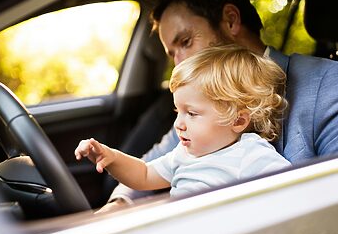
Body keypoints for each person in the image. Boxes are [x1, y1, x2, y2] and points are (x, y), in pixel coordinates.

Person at [105, 0, 338, 209]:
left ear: (230, 20)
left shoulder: (329, 84)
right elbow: (147, 168)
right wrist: (117, 205)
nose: (180, 63)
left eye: (185, 42)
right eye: (173, 54)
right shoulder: (196, 112)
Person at [75, 45, 291, 198]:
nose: (179, 123)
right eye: (178, 111)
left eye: (192, 113)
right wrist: (111, 157)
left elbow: (293, 192)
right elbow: (144, 175)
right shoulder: (183, 154)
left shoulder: (251, 154)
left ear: (238, 120)